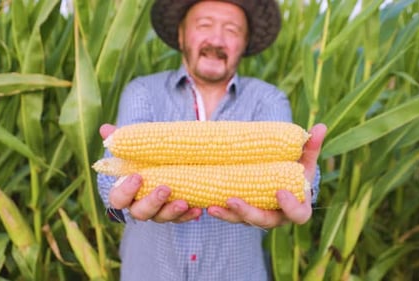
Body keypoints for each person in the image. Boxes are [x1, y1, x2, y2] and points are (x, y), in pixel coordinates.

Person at [97, 0, 327, 280]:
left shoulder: (267, 99)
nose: (217, 39)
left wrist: (306, 190)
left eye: (232, 30)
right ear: (181, 35)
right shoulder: (143, 91)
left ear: (244, 43)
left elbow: (294, 173)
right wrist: (120, 205)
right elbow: (115, 181)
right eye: (204, 25)